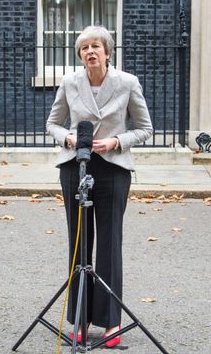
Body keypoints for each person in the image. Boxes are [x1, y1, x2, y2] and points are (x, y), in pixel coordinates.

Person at [46, 25, 153, 348]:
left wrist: (117, 140)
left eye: (95, 46)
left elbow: (145, 128)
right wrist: (65, 137)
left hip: (113, 169)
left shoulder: (127, 83)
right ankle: (80, 319)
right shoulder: (69, 82)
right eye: (84, 48)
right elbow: (52, 122)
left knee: (109, 245)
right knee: (79, 244)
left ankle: (111, 324)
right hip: (75, 167)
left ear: (107, 51)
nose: (90, 52)